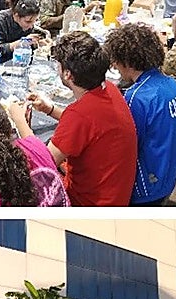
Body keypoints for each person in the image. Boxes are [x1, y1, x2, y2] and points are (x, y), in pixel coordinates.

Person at [24, 31, 138, 206]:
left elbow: (42, 164)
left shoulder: (79, 114)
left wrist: (21, 123)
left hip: (88, 204)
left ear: (68, 74)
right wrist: (51, 109)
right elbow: (88, 127)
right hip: (116, 195)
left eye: (59, 65)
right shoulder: (109, 88)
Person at [103, 23, 176, 205]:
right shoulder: (173, 85)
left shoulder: (137, 98)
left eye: (115, 61)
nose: (114, 66)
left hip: (146, 185)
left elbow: (125, 147)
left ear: (126, 61)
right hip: (169, 174)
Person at [0, 0, 48, 65]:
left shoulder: (26, 23)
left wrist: (37, 43)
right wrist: (22, 42)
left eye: (35, 21)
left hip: (17, 57)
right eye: (28, 22)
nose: (31, 26)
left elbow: (29, 42)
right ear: (16, 16)